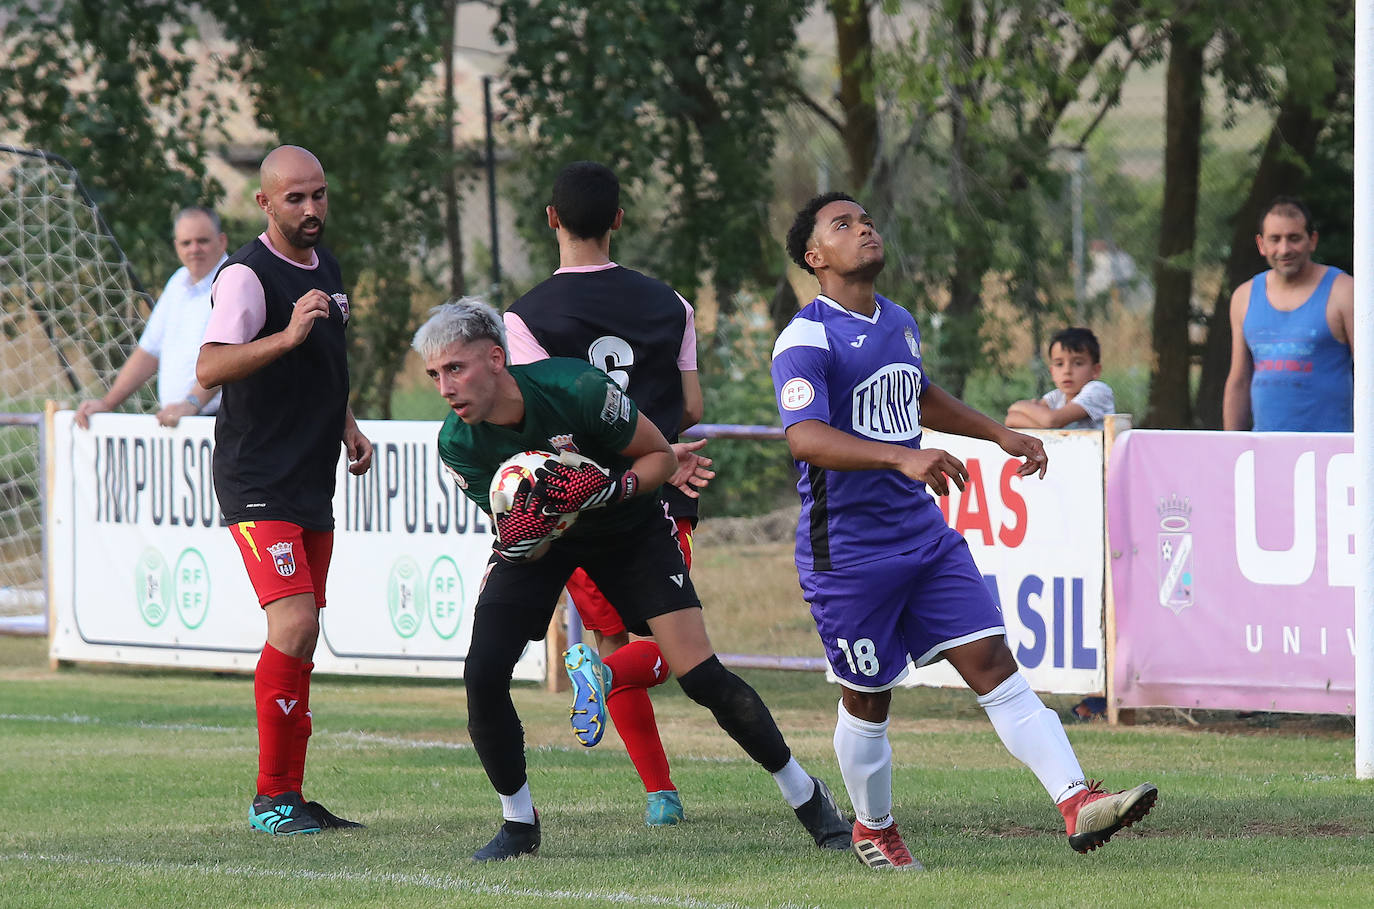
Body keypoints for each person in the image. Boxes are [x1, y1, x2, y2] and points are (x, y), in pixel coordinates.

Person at [771, 192, 1158, 870]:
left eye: (866, 218)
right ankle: (874, 828)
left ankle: (1077, 799)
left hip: (923, 536)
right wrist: (902, 454)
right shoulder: (805, 337)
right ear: (814, 256)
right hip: (850, 552)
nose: (864, 227)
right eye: (843, 224)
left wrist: (999, 433)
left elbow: (920, 393)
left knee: (994, 667)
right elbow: (805, 437)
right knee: (867, 697)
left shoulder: (898, 321)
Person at [411, 298, 851, 862]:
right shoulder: (458, 443)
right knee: (483, 673)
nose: (445, 387)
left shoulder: (576, 388)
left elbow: (661, 460)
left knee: (702, 677)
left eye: (456, 368)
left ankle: (807, 795)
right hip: (548, 540)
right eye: (434, 375)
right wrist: (533, 526)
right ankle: (518, 823)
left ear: (496, 358)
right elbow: (521, 539)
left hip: (627, 523)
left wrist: (605, 489)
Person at [503, 161, 713, 827]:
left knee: (610, 631)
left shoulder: (525, 315)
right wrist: (666, 452)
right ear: (620, 219)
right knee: (677, 646)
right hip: (658, 490)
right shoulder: (670, 302)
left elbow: (536, 416)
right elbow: (693, 403)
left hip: (583, 500)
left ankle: (661, 793)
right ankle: (615, 685)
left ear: (551, 218)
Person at [196, 145, 374, 836]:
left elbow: (326, 361)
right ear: (265, 203)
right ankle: (270, 799)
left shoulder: (325, 266)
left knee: (304, 636)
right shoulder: (245, 276)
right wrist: (287, 333)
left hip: (310, 476)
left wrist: (347, 424)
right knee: (294, 623)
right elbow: (209, 367)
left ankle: (290, 796)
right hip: (257, 477)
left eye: (319, 195)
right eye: (294, 198)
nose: (310, 210)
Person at [75, 207, 228, 429]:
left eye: (202, 241)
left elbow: (227, 357)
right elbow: (149, 351)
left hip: (220, 423)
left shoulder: (234, 280)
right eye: (186, 243)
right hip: (179, 422)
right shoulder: (178, 283)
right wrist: (108, 403)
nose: (194, 249)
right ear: (176, 247)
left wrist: (191, 403)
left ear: (222, 241)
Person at [1223, 196, 1354, 432]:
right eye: (1275, 239)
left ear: (1312, 240)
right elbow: (1239, 380)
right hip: (1265, 450)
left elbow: (1369, 373)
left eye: (1294, 238)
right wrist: (1230, 448)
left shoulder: (1344, 291)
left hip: (1332, 451)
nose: (1284, 249)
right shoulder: (1243, 297)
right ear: (1261, 244)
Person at [1005, 327, 1116, 430]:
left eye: (1078, 363)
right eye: (1059, 364)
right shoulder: (1056, 396)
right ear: (1052, 372)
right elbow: (1010, 420)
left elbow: (1052, 420)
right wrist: (1046, 425)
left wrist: (1020, 406)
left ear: (1095, 370)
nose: (1067, 371)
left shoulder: (1098, 390)